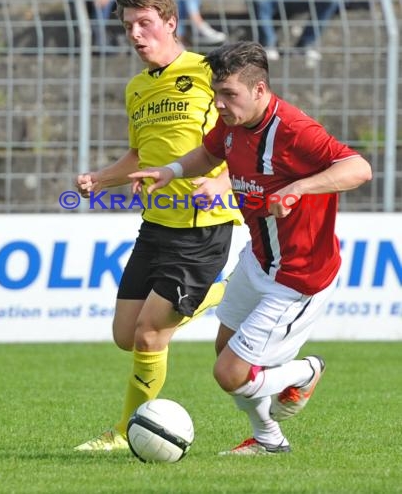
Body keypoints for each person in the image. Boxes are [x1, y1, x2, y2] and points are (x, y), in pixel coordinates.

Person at [129, 40, 372, 455]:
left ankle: (304, 372)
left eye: (229, 94)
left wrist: (299, 187)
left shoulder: (295, 130)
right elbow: (208, 153)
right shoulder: (234, 123)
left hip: (298, 276)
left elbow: (359, 168)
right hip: (259, 260)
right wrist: (170, 170)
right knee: (226, 350)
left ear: (259, 90)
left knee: (230, 373)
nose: (219, 104)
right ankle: (269, 440)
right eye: (216, 93)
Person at [74, 0, 242, 451]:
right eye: (128, 25)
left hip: (202, 226)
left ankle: (124, 434)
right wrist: (101, 179)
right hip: (155, 225)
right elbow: (138, 154)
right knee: (125, 336)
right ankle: (218, 294)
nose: (135, 34)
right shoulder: (137, 87)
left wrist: (225, 185)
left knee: (151, 336)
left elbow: (249, 136)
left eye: (144, 22)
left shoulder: (210, 73)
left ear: (170, 22)